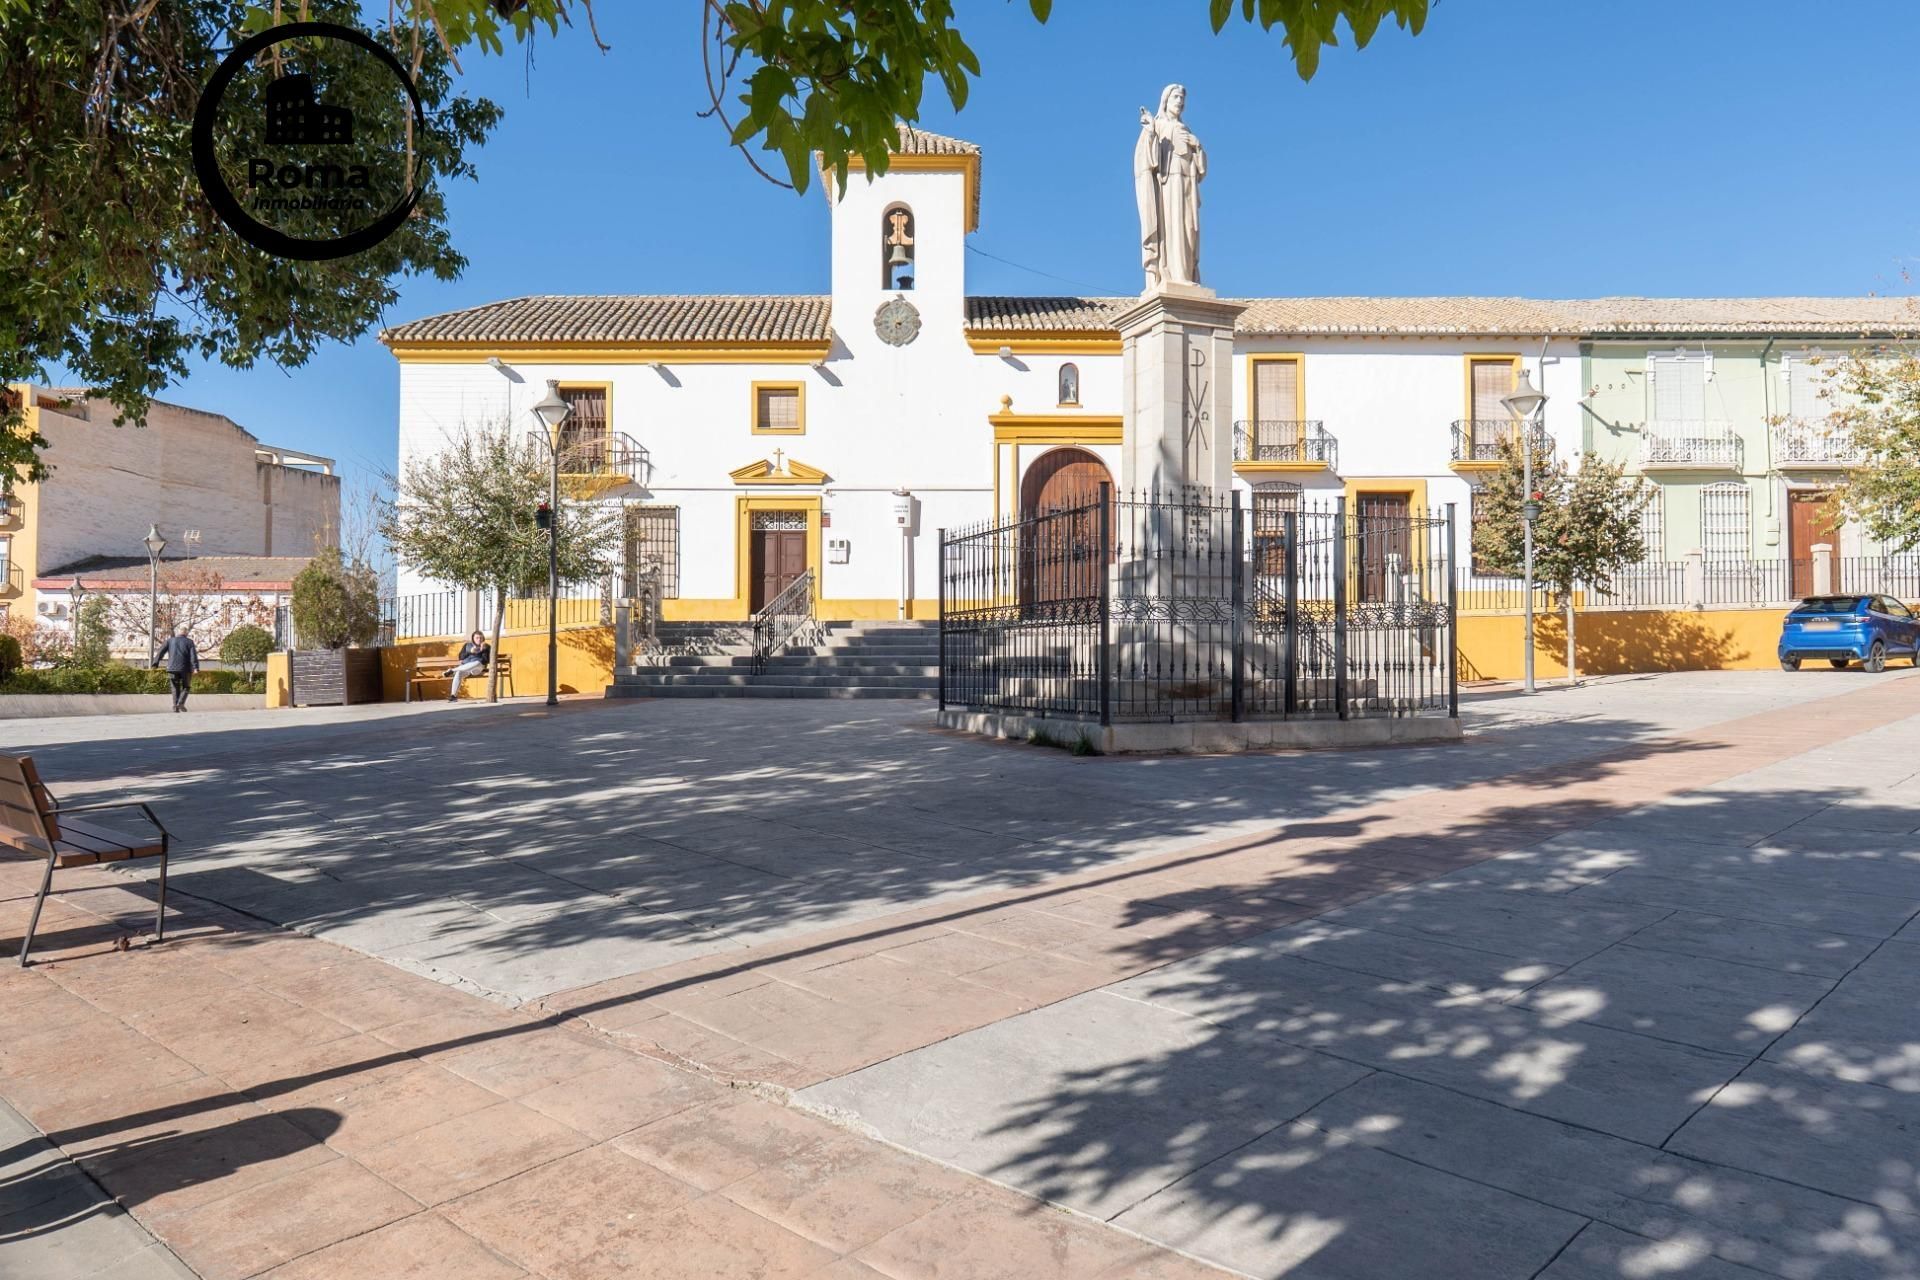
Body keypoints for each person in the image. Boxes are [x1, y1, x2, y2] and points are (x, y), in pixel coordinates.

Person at [155, 624, 200, 713]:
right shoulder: (189, 642)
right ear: (186, 633)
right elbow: (193, 656)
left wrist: (155, 663)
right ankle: (180, 703)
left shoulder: (170, 641)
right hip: (185, 669)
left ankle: (175, 706)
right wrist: (195, 667)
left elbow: (161, 651)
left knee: (175, 687)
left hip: (172, 668)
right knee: (186, 687)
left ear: (178, 632)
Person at [447, 631, 490, 702]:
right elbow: (461, 657)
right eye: (477, 638)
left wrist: (484, 650)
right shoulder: (467, 645)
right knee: (459, 673)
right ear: (473, 638)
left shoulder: (487, 646)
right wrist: (470, 651)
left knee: (477, 662)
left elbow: (486, 661)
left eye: (481, 638)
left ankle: (452, 670)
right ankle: (453, 696)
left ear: (483, 638)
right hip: (466, 668)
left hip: (477, 669)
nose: (479, 639)